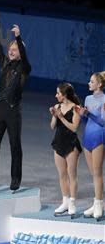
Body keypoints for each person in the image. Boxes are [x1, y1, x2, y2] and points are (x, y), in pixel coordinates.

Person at [0, 22, 31, 193]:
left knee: (14, 145)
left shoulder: (25, 68)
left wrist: (18, 37)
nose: (11, 51)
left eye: (15, 49)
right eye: (11, 48)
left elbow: (24, 57)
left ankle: (16, 178)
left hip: (13, 110)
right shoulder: (4, 62)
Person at [49, 83, 82, 217]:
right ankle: (65, 201)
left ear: (65, 94)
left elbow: (74, 128)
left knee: (71, 175)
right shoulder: (57, 106)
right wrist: (55, 116)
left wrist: (61, 117)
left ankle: (72, 202)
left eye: (58, 93)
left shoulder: (76, 108)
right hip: (58, 143)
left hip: (71, 144)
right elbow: (52, 126)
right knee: (62, 175)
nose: (56, 95)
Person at [76, 72, 105, 220]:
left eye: (92, 81)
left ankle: (99, 203)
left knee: (98, 172)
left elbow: (103, 122)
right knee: (93, 174)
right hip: (87, 137)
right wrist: (82, 114)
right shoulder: (87, 98)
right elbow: (85, 121)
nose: (89, 83)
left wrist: (90, 114)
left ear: (99, 84)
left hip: (99, 137)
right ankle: (96, 202)